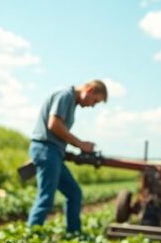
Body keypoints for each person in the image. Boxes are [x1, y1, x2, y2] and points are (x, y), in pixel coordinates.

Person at [26, 80, 107, 233]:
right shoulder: (65, 95)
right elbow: (53, 124)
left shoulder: (70, 100)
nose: (92, 105)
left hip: (53, 152)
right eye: (95, 101)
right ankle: (29, 240)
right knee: (46, 197)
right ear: (89, 90)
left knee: (74, 193)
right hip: (46, 150)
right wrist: (80, 144)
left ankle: (74, 234)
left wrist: (66, 152)